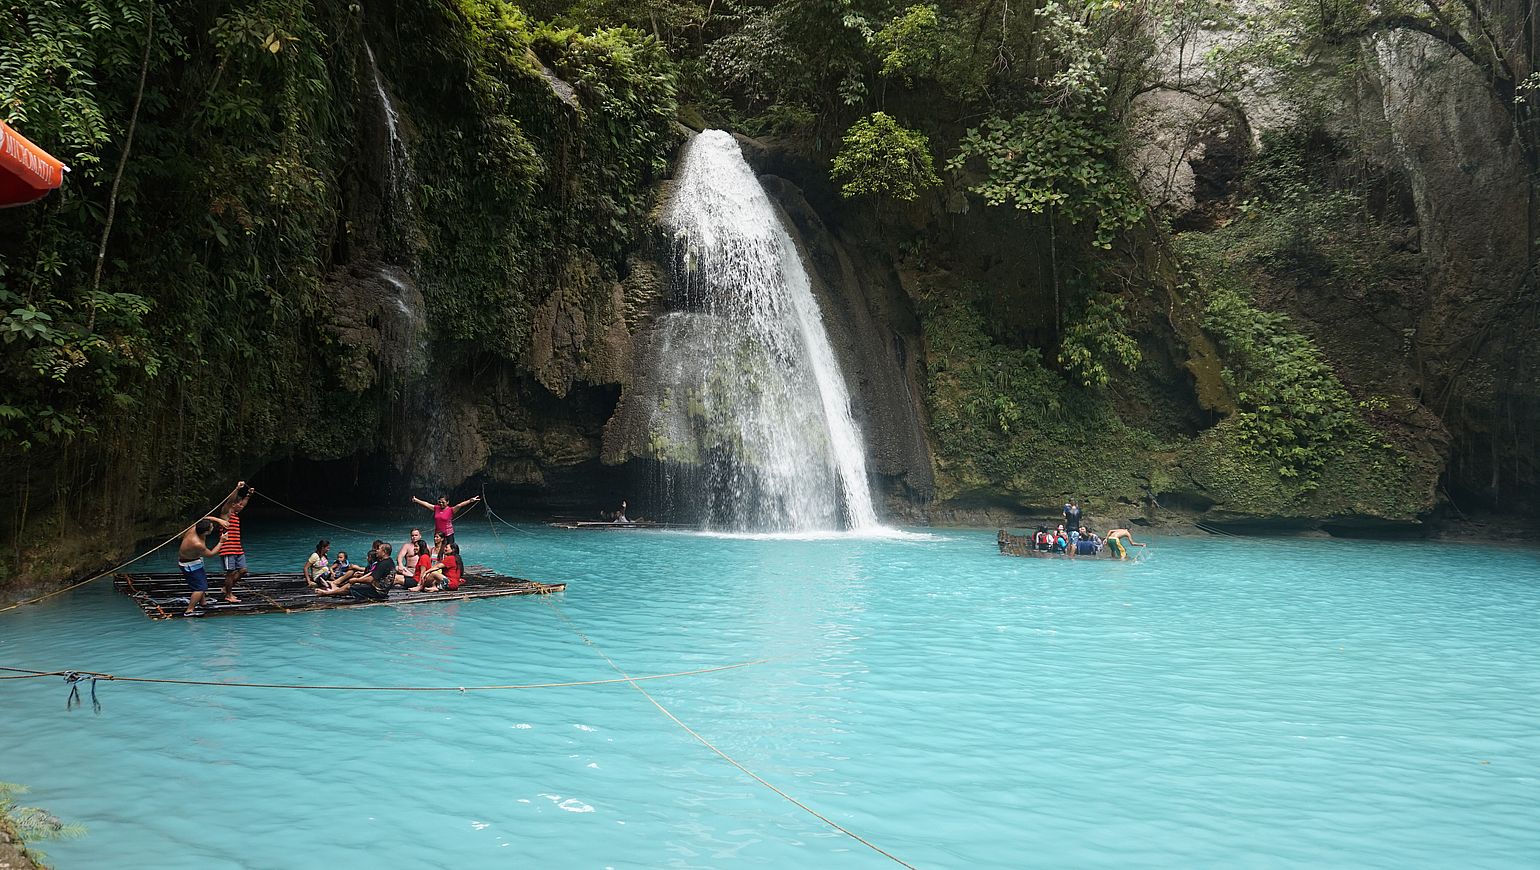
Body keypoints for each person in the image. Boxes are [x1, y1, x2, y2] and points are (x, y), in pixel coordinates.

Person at [177, 515, 228, 617]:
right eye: (211, 527)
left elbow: (205, 518)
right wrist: (221, 541)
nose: (213, 527)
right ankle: (189, 611)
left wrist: (219, 520)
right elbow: (210, 554)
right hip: (189, 565)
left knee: (201, 581)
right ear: (206, 532)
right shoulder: (197, 544)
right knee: (200, 587)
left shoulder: (195, 528)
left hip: (194, 561)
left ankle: (203, 602)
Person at [216, 481, 254, 604]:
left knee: (243, 570)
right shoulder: (226, 513)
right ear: (233, 504)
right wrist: (237, 489)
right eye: (239, 504)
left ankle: (225, 588)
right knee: (230, 572)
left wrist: (248, 494)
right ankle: (228, 595)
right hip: (228, 548)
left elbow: (243, 503)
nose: (241, 506)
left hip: (237, 548)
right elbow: (228, 501)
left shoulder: (236, 514)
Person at [316, 543, 396, 600]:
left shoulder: (383, 564)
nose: (377, 551)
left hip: (378, 592)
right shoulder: (390, 561)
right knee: (355, 583)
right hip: (381, 590)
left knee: (350, 587)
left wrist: (356, 580)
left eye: (379, 549)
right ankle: (335, 589)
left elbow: (370, 579)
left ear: (384, 552)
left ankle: (327, 593)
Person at [411, 494, 480, 548]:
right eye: (439, 502)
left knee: (449, 550)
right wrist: (416, 500)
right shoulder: (436, 508)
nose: (441, 504)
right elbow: (426, 504)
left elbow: (460, 505)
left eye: (443, 502)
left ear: (447, 502)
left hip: (448, 534)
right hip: (438, 534)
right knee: (438, 550)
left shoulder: (451, 510)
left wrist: (470, 500)